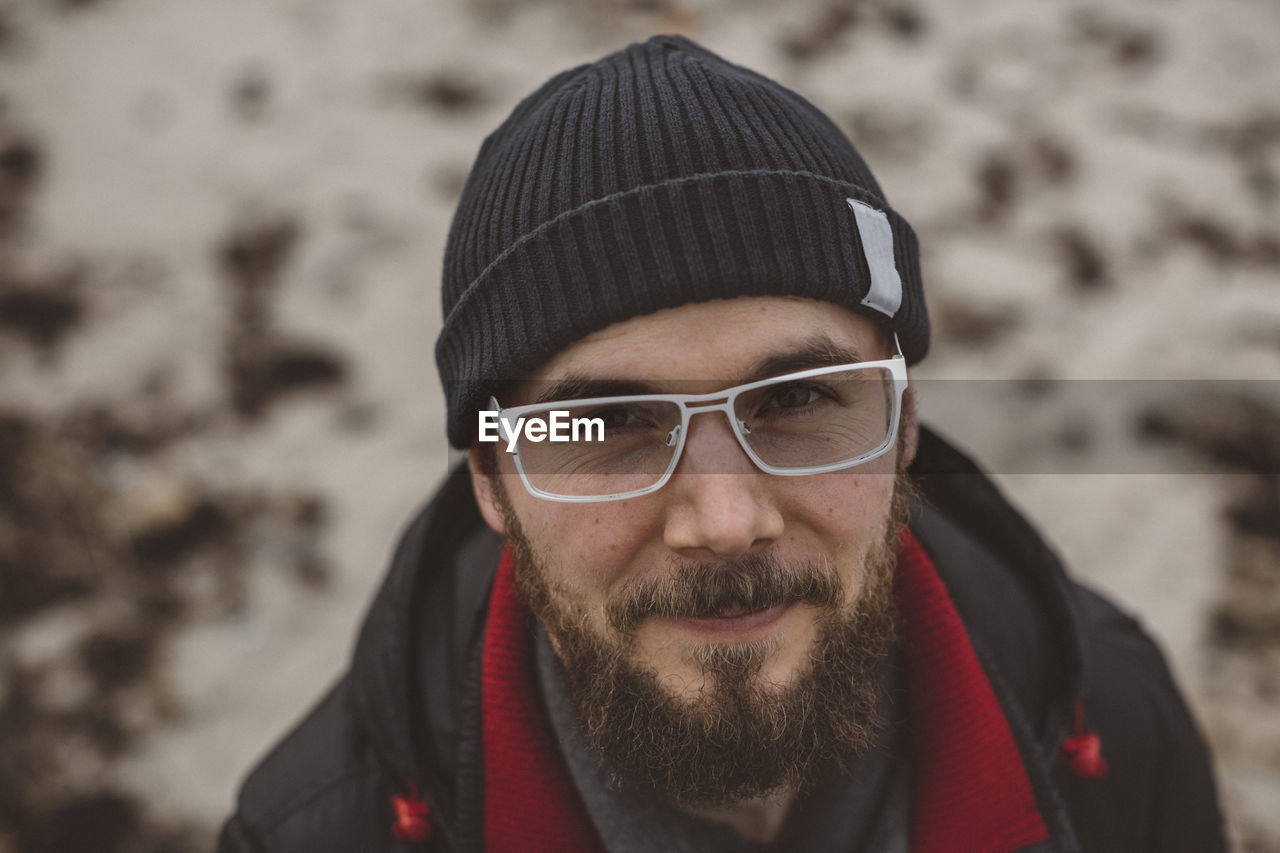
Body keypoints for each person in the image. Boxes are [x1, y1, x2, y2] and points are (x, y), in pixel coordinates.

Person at [218, 35, 1226, 853]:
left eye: (792, 404)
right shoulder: (312, 831)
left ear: (904, 422)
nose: (725, 519)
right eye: (607, 425)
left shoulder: (1111, 725)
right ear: (491, 476)